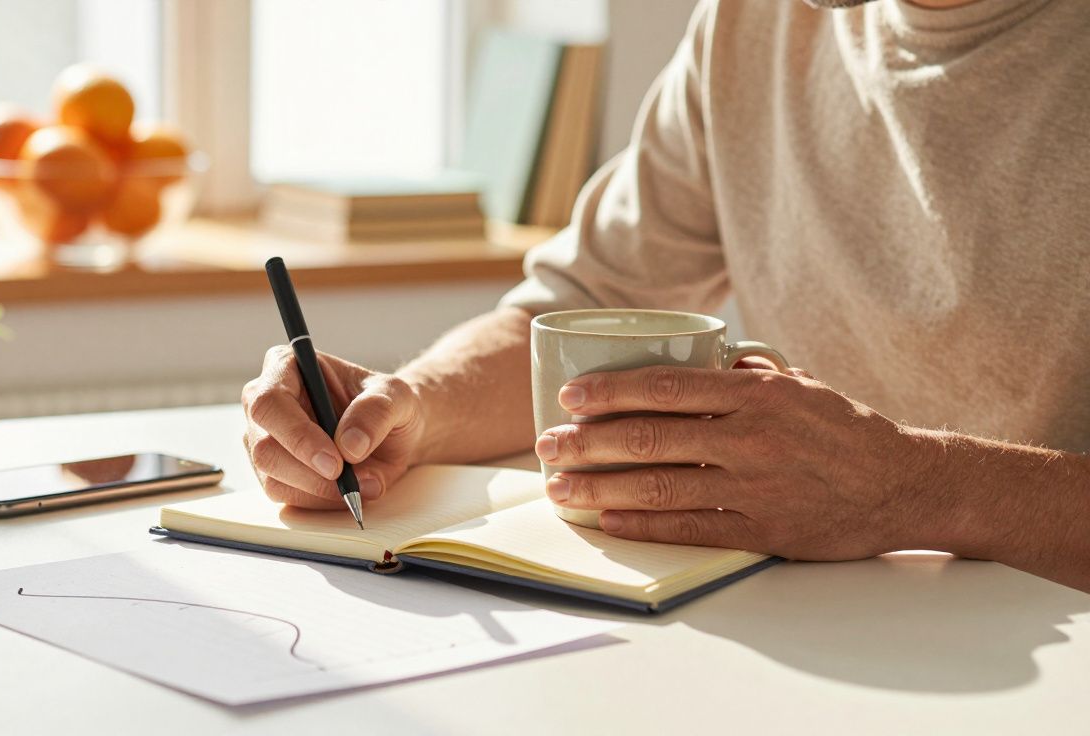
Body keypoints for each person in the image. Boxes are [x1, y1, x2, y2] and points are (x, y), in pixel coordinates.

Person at [241, 0, 1090, 593]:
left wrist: (914, 487)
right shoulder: (751, 23)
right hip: (815, 637)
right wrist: (410, 410)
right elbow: (575, 308)